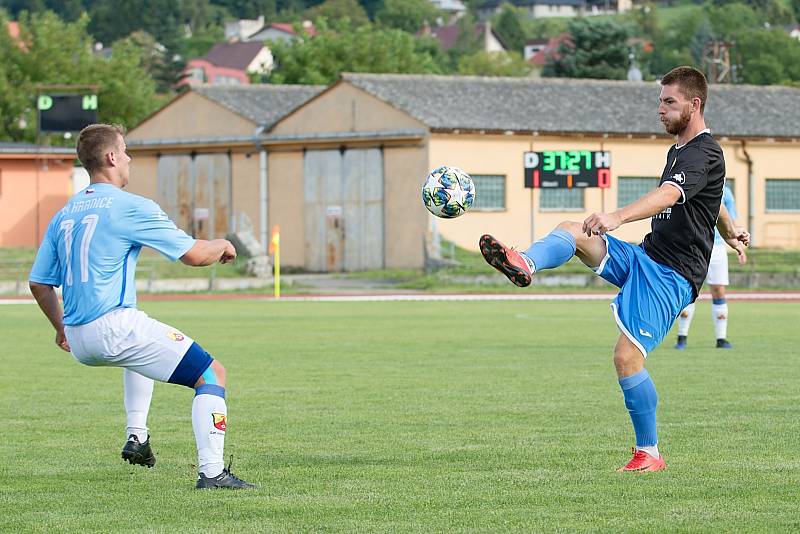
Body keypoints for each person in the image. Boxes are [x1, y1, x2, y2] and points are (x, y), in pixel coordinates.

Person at [478, 66, 749, 472]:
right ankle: (525, 262)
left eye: (668, 102)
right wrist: (730, 230)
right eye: (659, 100)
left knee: (626, 358)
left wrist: (619, 216)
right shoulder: (681, 151)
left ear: (694, 105)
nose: (659, 109)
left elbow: (671, 195)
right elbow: (712, 200)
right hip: (646, 256)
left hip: (671, 276)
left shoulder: (703, 152)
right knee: (574, 230)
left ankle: (650, 454)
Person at [29, 123, 255, 489]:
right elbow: (195, 256)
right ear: (111, 157)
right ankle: (212, 474)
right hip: (113, 326)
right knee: (212, 374)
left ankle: (138, 436)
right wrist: (222, 243)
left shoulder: (65, 214)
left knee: (139, 348)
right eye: (126, 150)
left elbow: (39, 283)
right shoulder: (130, 207)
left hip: (79, 336)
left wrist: (61, 328)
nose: (130, 158)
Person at [675, 184, 746, 349]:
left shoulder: (726, 192)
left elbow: (731, 222)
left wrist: (738, 245)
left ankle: (721, 338)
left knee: (718, 291)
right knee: (689, 289)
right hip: (694, 246)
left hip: (718, 247)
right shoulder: (690, 186)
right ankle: (682, 336)